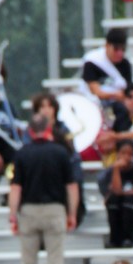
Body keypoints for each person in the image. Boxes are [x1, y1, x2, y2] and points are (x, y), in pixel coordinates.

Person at [8, 112, 79, 264]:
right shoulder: (61, 152)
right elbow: (71, 186)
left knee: (28, 262)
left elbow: (16, 188)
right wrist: (72, 213)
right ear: (48, 129)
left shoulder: (22, 153)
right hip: (55, 209)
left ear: (30, 131)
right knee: (55, 260)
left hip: (29, 210)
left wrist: (13, 216)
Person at [30, 92, 86, 226]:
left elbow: (73, 158)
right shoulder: (30, 131)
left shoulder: (64, 130)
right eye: (42, 107)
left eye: (49, 106)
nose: (46, 110)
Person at [97, 140, 133, 249]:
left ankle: (128, 240)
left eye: (130, 154)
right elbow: (116, 191)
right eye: (123, 153)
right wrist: (116, 169)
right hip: (120, 214)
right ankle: (114, 240)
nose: (126, 157)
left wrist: (123, 193)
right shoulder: (111, 171)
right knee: (113, 200)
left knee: (129, 199)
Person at [79, 27, 132, 127]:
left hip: (118, 105)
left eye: (123, 49)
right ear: (107, 46)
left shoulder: (125, 64)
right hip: (94, 102)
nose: (119, 53)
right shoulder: (92, 62)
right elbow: (95, 91)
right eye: (116, 49)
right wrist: (115, 95)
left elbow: (128, 90)